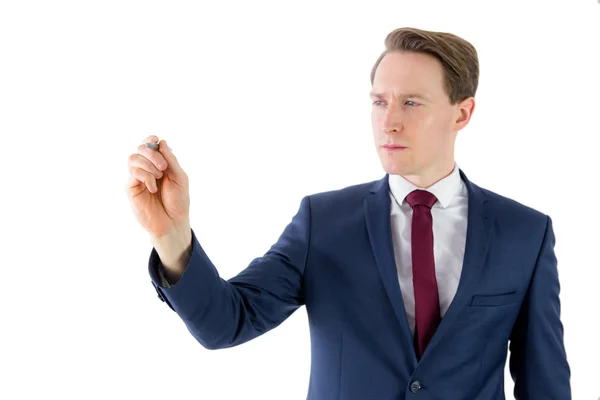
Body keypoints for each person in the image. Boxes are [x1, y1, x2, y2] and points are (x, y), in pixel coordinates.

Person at [126, 27, 571, 399]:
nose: (389, 121)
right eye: (379, 101)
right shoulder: (323, 223)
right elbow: (227, 322)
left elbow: (545, 385)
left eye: (411, 103)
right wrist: (171, 235)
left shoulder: (525, 234)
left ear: (463, 112)